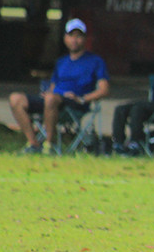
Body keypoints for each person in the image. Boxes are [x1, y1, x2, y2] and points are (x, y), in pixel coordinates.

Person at [9, 18, 110, 154]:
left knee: (51, 99)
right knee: (15, 98)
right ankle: (33, 143)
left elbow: (104, 90)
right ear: (65, 38)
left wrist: (83, 99)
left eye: (79, 36)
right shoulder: (61, 62)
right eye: (71, 36)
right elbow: (53, 86)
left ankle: (49, 145)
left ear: (85, 39)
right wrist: (47, 94)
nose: (74, 40)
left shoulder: (96, 61)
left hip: (74, 102)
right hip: (52, 99)